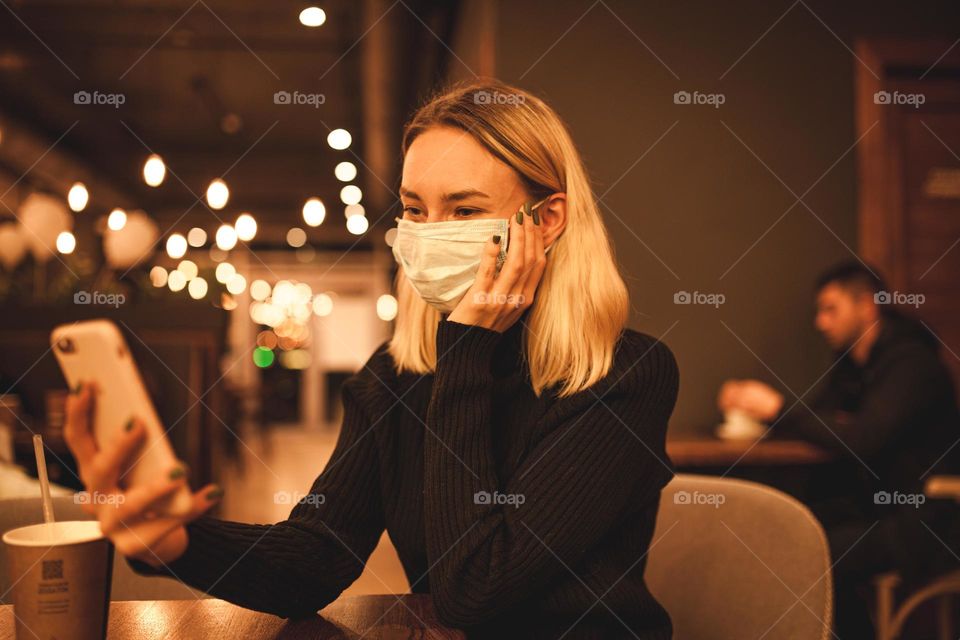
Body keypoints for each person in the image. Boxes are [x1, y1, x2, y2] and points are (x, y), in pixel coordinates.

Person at [63, 80, 680, 639]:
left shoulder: (625, 377)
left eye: (464, 211)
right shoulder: (396, 377)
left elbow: (474, 590)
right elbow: (317, 556)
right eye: (415, 209)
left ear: (546, 221)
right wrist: (177, 543)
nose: (430, 234)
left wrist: (465, 350)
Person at [718, 261, 960, 638]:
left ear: (867, 306)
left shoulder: (912, 363)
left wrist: (776, 409)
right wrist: (760, 410)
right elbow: (822, 423)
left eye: (831, 309)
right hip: (878, 506)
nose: (820, 322)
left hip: (929, 516)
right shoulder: (852, 367)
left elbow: (862, 438)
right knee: (789, 532)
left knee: (812, 551)